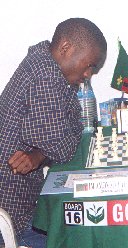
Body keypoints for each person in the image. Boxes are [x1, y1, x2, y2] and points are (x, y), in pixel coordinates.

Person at [0, 18, 107, 247]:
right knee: (84, 237)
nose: (88, 74)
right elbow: (62, 146)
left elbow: (77, 124)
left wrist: (38, 155)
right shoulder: (46, 75)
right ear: (66, 48)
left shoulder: (47, 66)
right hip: (14, 214)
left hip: (25, 201)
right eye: (89, 65)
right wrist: (46, 150)